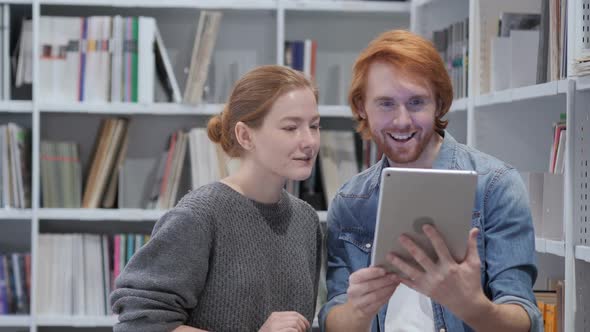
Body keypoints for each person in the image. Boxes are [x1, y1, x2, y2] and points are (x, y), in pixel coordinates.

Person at [318, 30, 542, 332]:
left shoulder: (495, 186)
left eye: (416, 102)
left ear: (438, 103)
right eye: (385, 103)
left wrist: (473, 307)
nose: (402, 120)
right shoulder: (349, 201)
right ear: (361, 107)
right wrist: (357, 312)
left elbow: (523, 318)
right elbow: (334, 316)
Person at [111, 65, 322, 332]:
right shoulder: (199, 216)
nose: (309, 141)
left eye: (314, 126)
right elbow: (138, 324)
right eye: (291, 127)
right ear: (245, 135)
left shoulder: (305, 220)